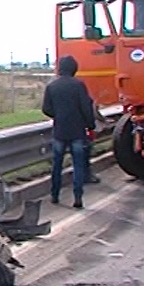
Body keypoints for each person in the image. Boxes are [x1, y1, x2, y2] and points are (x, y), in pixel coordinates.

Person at [42, 55, 96, 209]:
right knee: (78, 165)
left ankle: (54, 195)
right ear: (74, 68)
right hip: (77, 131)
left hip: (59, 130)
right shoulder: (79, 85)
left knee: (57, 165)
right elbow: (86, 108)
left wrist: (58, 115)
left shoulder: (52, 86)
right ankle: (77, 197)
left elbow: (46, 109)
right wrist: (90, 125)